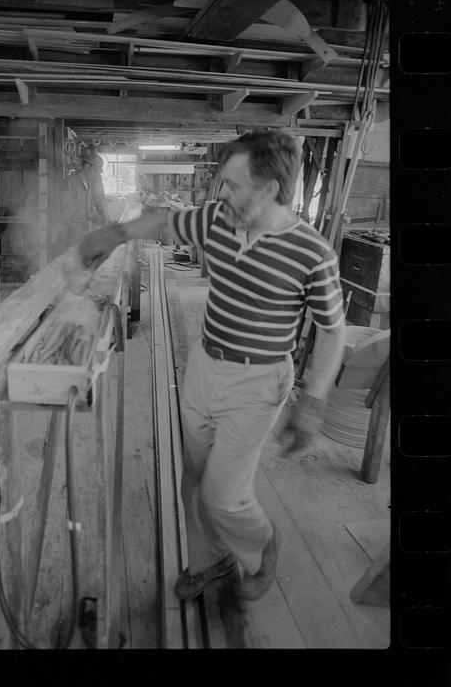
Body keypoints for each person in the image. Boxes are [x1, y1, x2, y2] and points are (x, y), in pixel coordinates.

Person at [76, 130, 346, 602]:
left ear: (268, 190)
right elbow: (165, 222)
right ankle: (210, 561)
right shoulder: (217, 220)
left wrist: (314, 402)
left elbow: (333, 330)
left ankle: (260, 545)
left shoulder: (312, 252)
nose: (220, 193)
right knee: (194, 481)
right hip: (204, 365)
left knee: (224, 495)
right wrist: (116, 233)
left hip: (258, 380)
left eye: (232, 185)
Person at [61, 150, 110, 248]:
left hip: (86, 232)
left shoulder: (90, 185)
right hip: (73, 235)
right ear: (87, 167)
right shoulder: (70, 183)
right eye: (96, 171)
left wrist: (103, 220)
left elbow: (94, 205)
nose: (98, 175)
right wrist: (88, 217)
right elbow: (66, 212)